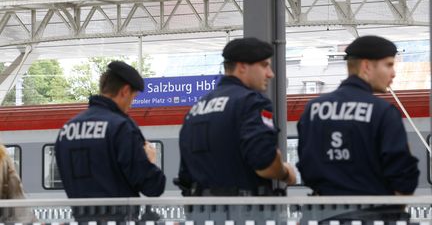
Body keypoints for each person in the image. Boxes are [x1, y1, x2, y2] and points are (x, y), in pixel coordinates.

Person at [296, 35, 419, 222]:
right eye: (388, 65)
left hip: (322, 216)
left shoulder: (313, 109)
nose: (393, 73)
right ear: (366, 66)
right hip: (373, 215)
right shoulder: (383, 112)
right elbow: (403, 172)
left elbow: (306, 164)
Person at [176, 37, 296, 223]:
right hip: (243, 214)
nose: (270, 73)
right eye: (264, 65)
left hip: (199, 215)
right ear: (242, 67)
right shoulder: (252, 102)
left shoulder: (196, 109)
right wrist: (286, 173)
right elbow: (264, 162)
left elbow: (184, 175)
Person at [55, 61, 166, 222]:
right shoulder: (121, 127)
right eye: (133, 98)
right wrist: (150, 162)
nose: (131, 105)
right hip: (119, 219)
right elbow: (152, 187)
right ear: (125, 91)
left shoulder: (67, 130)